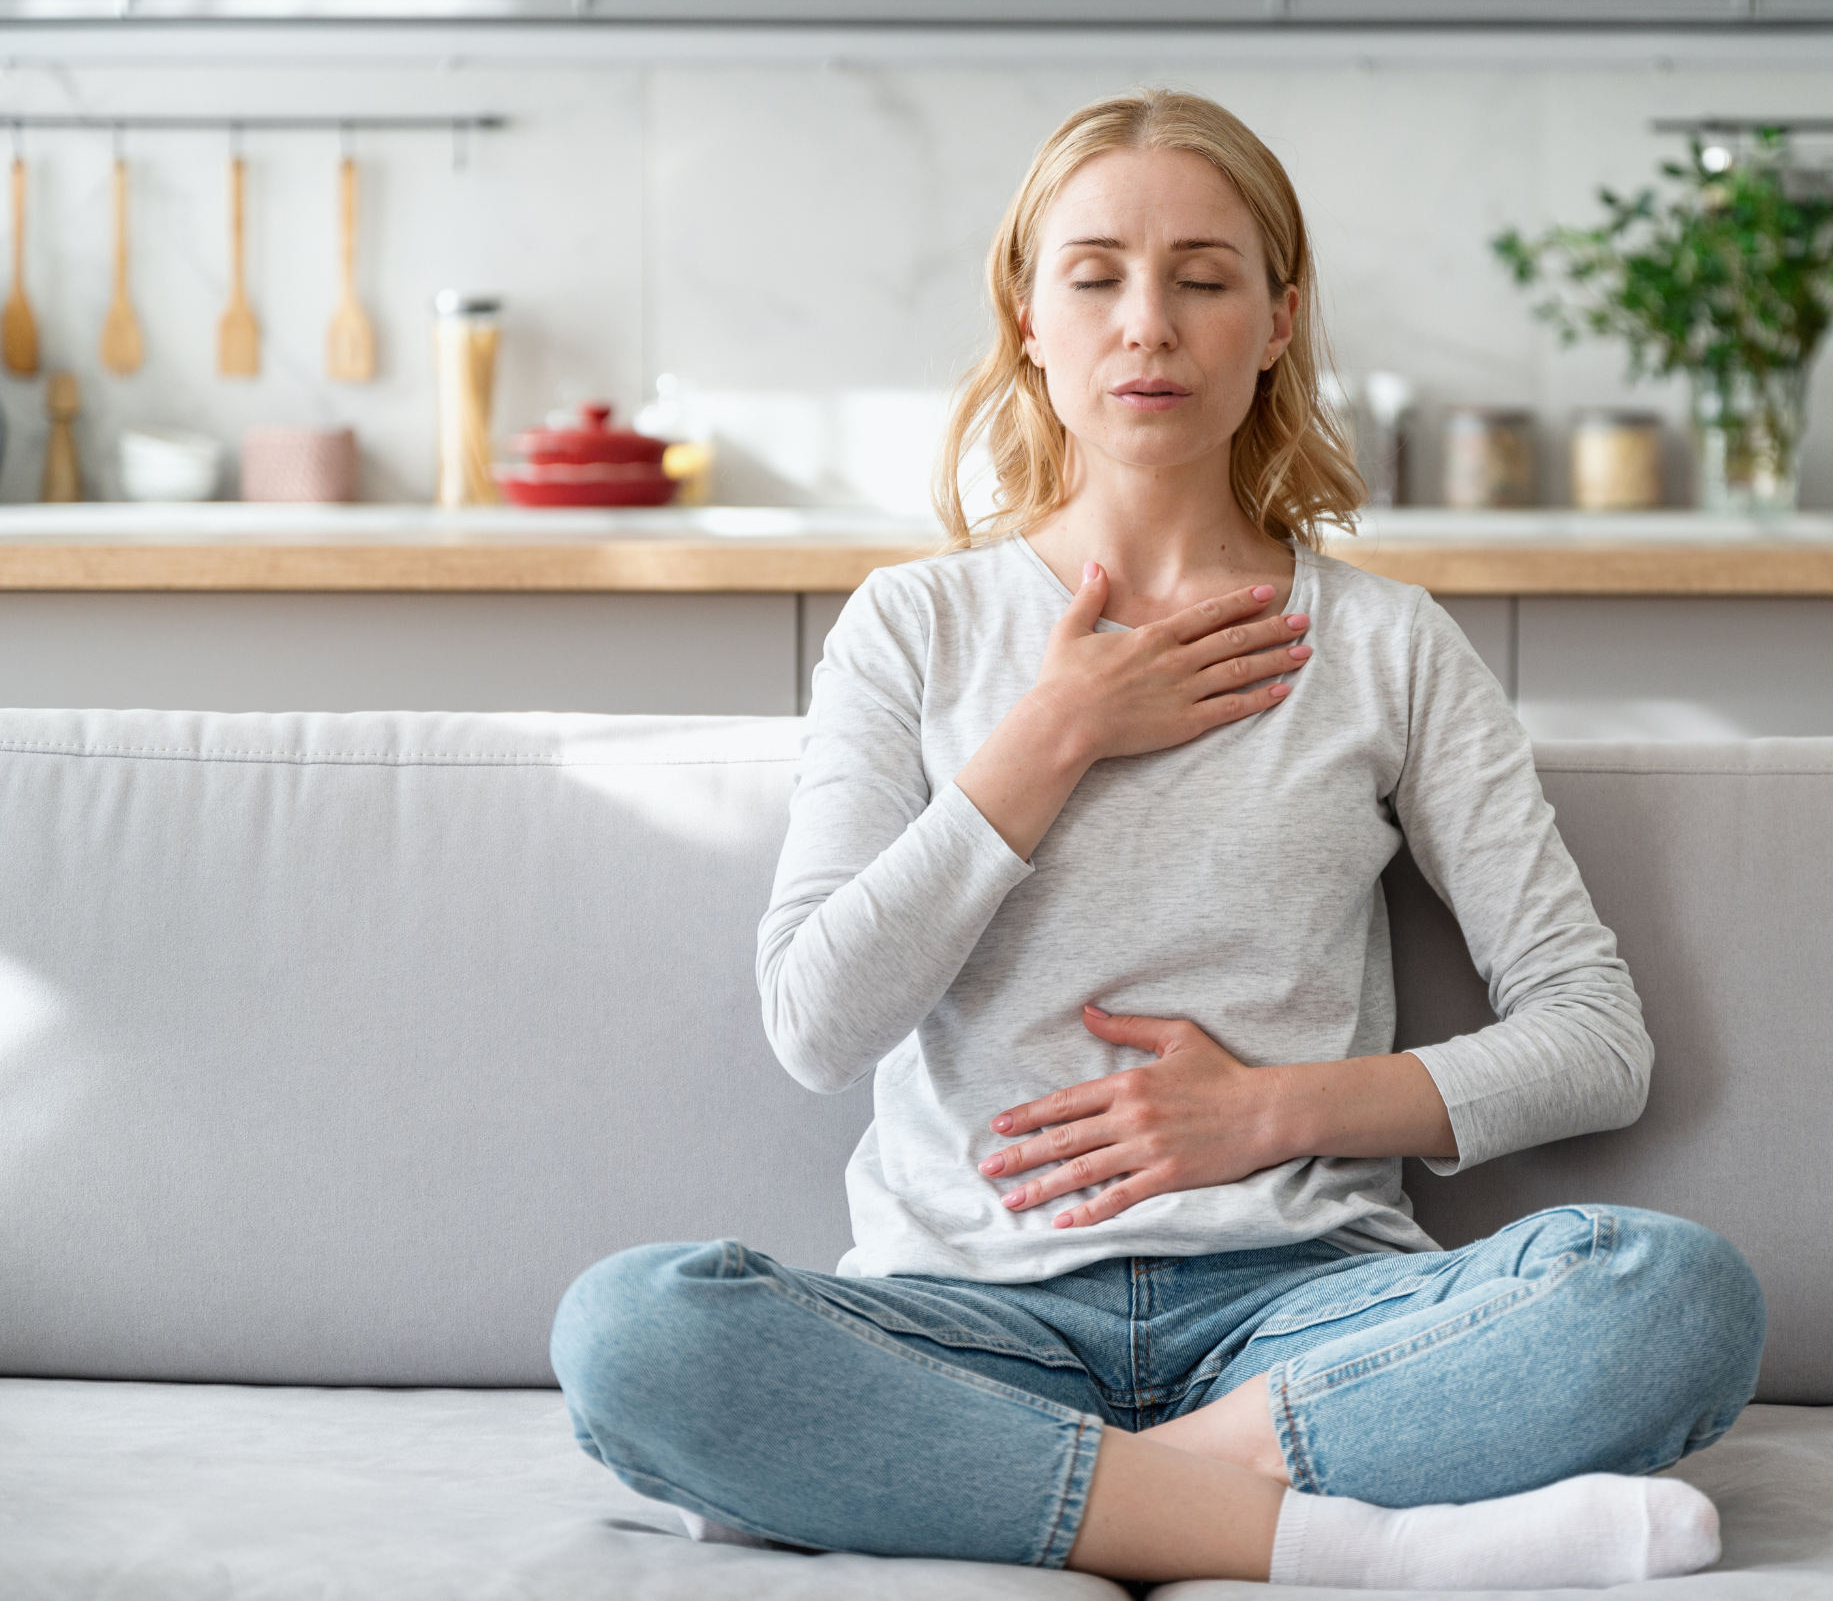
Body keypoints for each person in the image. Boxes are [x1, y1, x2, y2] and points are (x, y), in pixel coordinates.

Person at [552, 88, 1764, 1591]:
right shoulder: (913, 630)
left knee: (1671, 1297)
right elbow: (817, 1022)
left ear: (1273, 322)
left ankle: (972, 1489)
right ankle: (1357, 1547)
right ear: (1026, 315)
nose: (1148, 325)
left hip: (1302, 1318)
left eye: (1202, 279)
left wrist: (1272, 1113)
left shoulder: (1384, 645)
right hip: (972, 1319)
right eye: (1096, 276)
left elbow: (1594, 1038)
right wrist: (1049, 734)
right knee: (632, 1332)